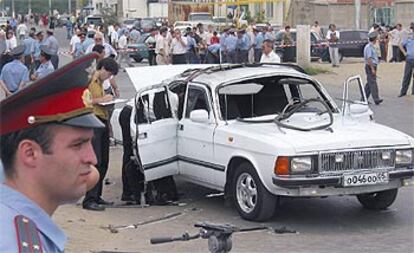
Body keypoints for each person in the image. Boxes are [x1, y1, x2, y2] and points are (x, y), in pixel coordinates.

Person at [0, 54, 102, 252]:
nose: (92, 158)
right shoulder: (18, 244)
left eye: (90, 143)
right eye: (77, 145)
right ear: (29, 153)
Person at [82, 57, 119, 211]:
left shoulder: (101, 83)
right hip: (93, 120)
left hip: (102, 119)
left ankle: (97, 195)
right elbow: (87, 101)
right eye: (108, 73)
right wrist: (102, 99)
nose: (108, 77)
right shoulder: (91, 80)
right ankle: (89, 198)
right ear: (102, 68)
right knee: (96, 161)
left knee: (104, 161)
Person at [364, 32, 383, 105]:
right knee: (373, 83)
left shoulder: (372, 46)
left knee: (369, 83)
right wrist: (372, 69)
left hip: (373, 65)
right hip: (370, 66)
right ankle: (376, 98)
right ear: (374, 39)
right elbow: (369, 59)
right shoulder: (369, 47)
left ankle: (363, 98)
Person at [398, 23, 414, 97]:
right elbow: (400, 45)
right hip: (410, 58)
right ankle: (403, 92)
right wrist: (405, 53)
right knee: (407, 75)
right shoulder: (409, 37)